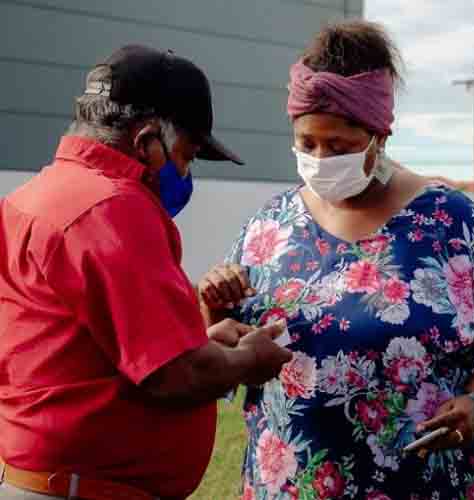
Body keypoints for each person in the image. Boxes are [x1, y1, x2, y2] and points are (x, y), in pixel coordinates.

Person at [198, 20, 474, 500]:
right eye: (307, 143)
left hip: (427, 482)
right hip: (292, 484)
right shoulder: (271, 227)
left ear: (379, 137)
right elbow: (223, 351)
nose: (320, 159)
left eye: (339, 147)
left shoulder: (450, 223)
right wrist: (215, 308)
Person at [0, 45, 292, 500]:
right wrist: (245, 362)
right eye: (187, 153)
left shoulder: (33, 197)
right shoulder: (113, 207)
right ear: (147, 139)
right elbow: (173, 375)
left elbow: (92, 352)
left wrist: (204, 344)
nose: (185, 170)